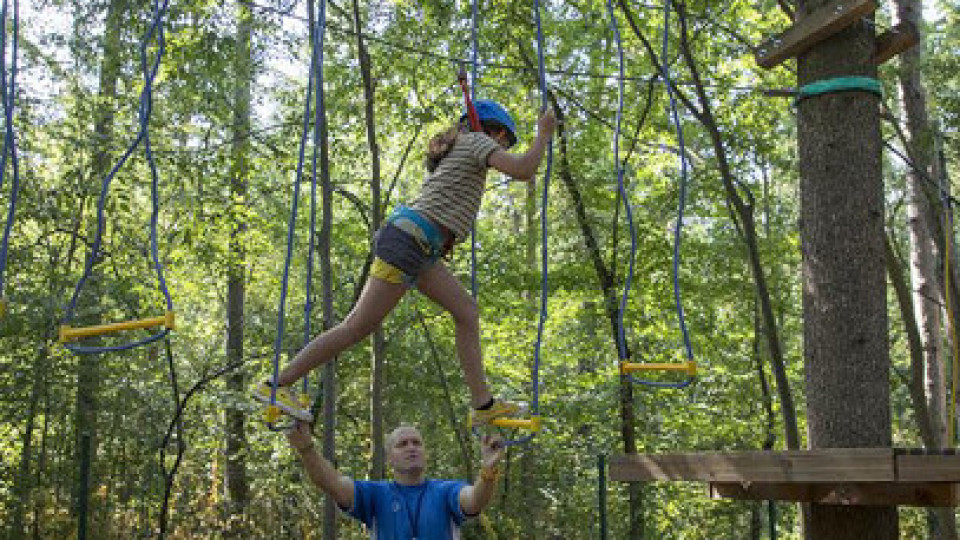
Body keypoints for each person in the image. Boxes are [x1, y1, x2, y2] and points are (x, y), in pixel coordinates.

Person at [254, 100, 557, 425]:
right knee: (356, 326)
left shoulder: (464, 147)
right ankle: (277, 384)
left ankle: (484, 407)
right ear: (489, 129)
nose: (502, 147)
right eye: (503, 139)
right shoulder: (475, 141)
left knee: (466, 312)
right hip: (409, 241)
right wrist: (543, 134)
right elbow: (524, 170)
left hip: (418, 245)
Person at [286, 421, 505, 539]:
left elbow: (475, 500)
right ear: (389, 458)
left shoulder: (446, 491)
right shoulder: (374, 494)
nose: (411, 448)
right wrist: (306, 448)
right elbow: (332, 484)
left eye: (416, 443)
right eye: (403, 444)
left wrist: (488, 469)